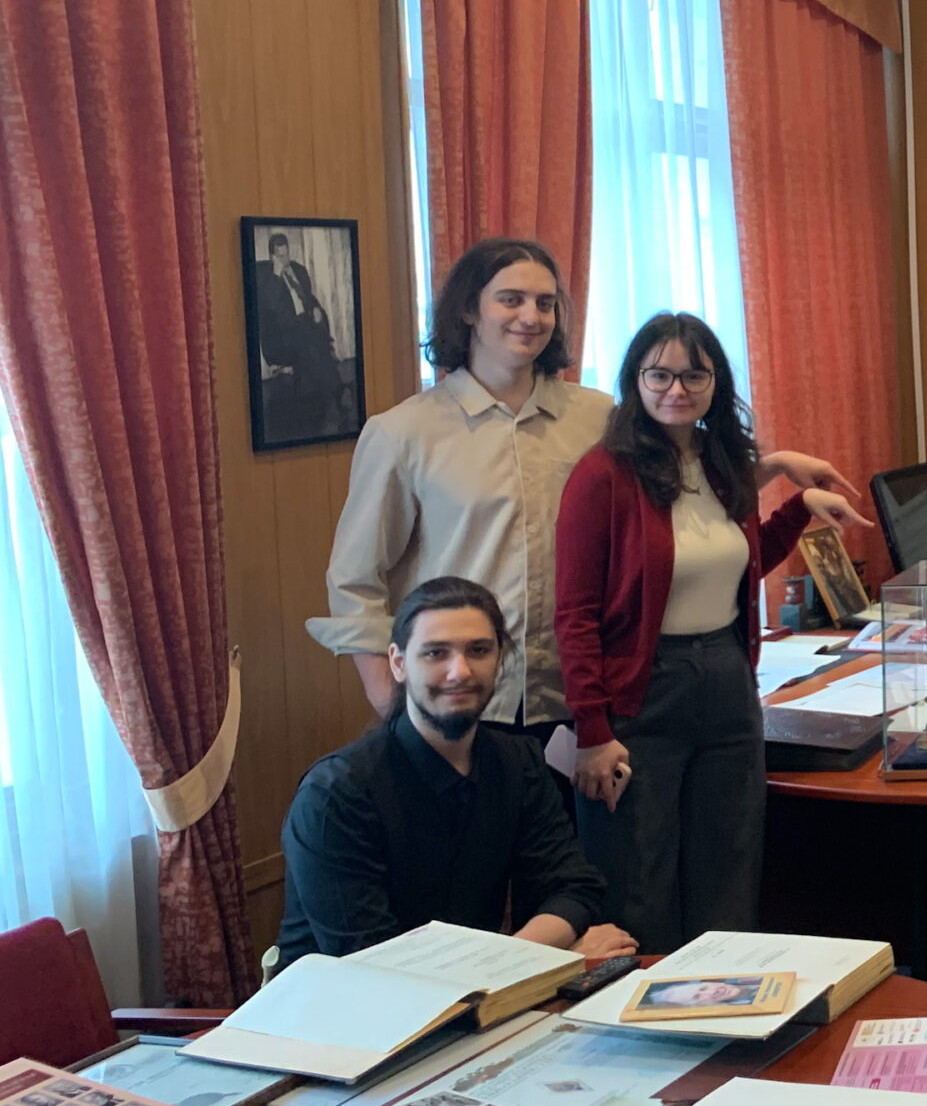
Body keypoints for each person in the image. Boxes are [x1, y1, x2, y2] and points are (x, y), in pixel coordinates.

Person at [311, 237, 853, 740]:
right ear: (469, 310)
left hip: (581, 696)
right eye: (511, 300)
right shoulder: (403, 433)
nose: (531, 317)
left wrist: (774, 467)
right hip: (463, 699)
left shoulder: (601, 418)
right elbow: (355, 581)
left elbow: (687, 493)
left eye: (545, 303)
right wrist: (387, 697)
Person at [555, 312, 864, 951]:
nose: (677, 389)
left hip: (726, 681)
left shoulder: (722, 463)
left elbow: (738, 566)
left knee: (729, 866)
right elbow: (575, 613)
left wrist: (796, 510)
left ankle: (723, 1001)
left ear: (716, 381)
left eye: (694, 375)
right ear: (634, 380)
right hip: (642, 690)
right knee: (640, 882)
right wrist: (593, 731)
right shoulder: (603, 474)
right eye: (660, 375)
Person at [275, 577, 635, 968]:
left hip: (475, 992)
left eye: (478, 650)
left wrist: (520, 960)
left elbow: (573, 888)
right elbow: (375, 965)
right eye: (435, 653)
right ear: (398, 663)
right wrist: (539, 960)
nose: (459, 671)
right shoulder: (334, 794)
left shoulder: (519, 761)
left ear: (500, 660)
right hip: (343, 1002)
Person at [255, 230, 344, 441]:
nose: (285, 259)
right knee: (312, 340)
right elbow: (269, 307)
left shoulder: (299, 270)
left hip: (303, 324)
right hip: (282, 332)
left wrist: (315, 308)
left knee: (314, 327)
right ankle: (334, 390)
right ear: (272, 256)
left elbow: (309, 297)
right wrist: (277, 275)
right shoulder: (266, 278)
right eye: (280, 256)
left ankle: (327, 392)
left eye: (286, 254)